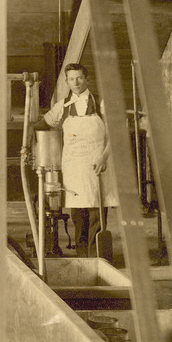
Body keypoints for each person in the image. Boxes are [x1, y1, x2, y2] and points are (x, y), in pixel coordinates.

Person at [40, 63, 118, 257]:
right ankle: (83, 259)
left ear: (87, 79)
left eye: (80, 78)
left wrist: (104, 157)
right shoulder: (62, 106)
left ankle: (98, 259)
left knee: (96, 215)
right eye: (71, 79)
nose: (76, 83)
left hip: (97, 167)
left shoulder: (101, 103)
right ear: (66, 81)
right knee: (78, 217)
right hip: (73, 169)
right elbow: (43, 124)